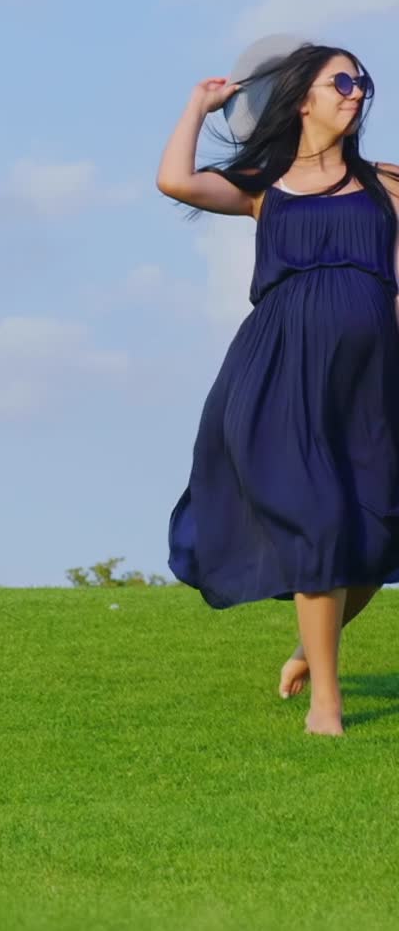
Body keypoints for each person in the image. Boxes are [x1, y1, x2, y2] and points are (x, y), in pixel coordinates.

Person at [157, 44, 399, 737]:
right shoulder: (265, 183)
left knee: (375, 532)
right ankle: (328, 703)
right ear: (302, 98)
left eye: (363, 83)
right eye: (342, 82)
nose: (357, 93)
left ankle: (308, 644)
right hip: (279, 371)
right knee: (320, 521)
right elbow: (175, 181)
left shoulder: (385, 183)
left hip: (369, 376)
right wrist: (196, 108)